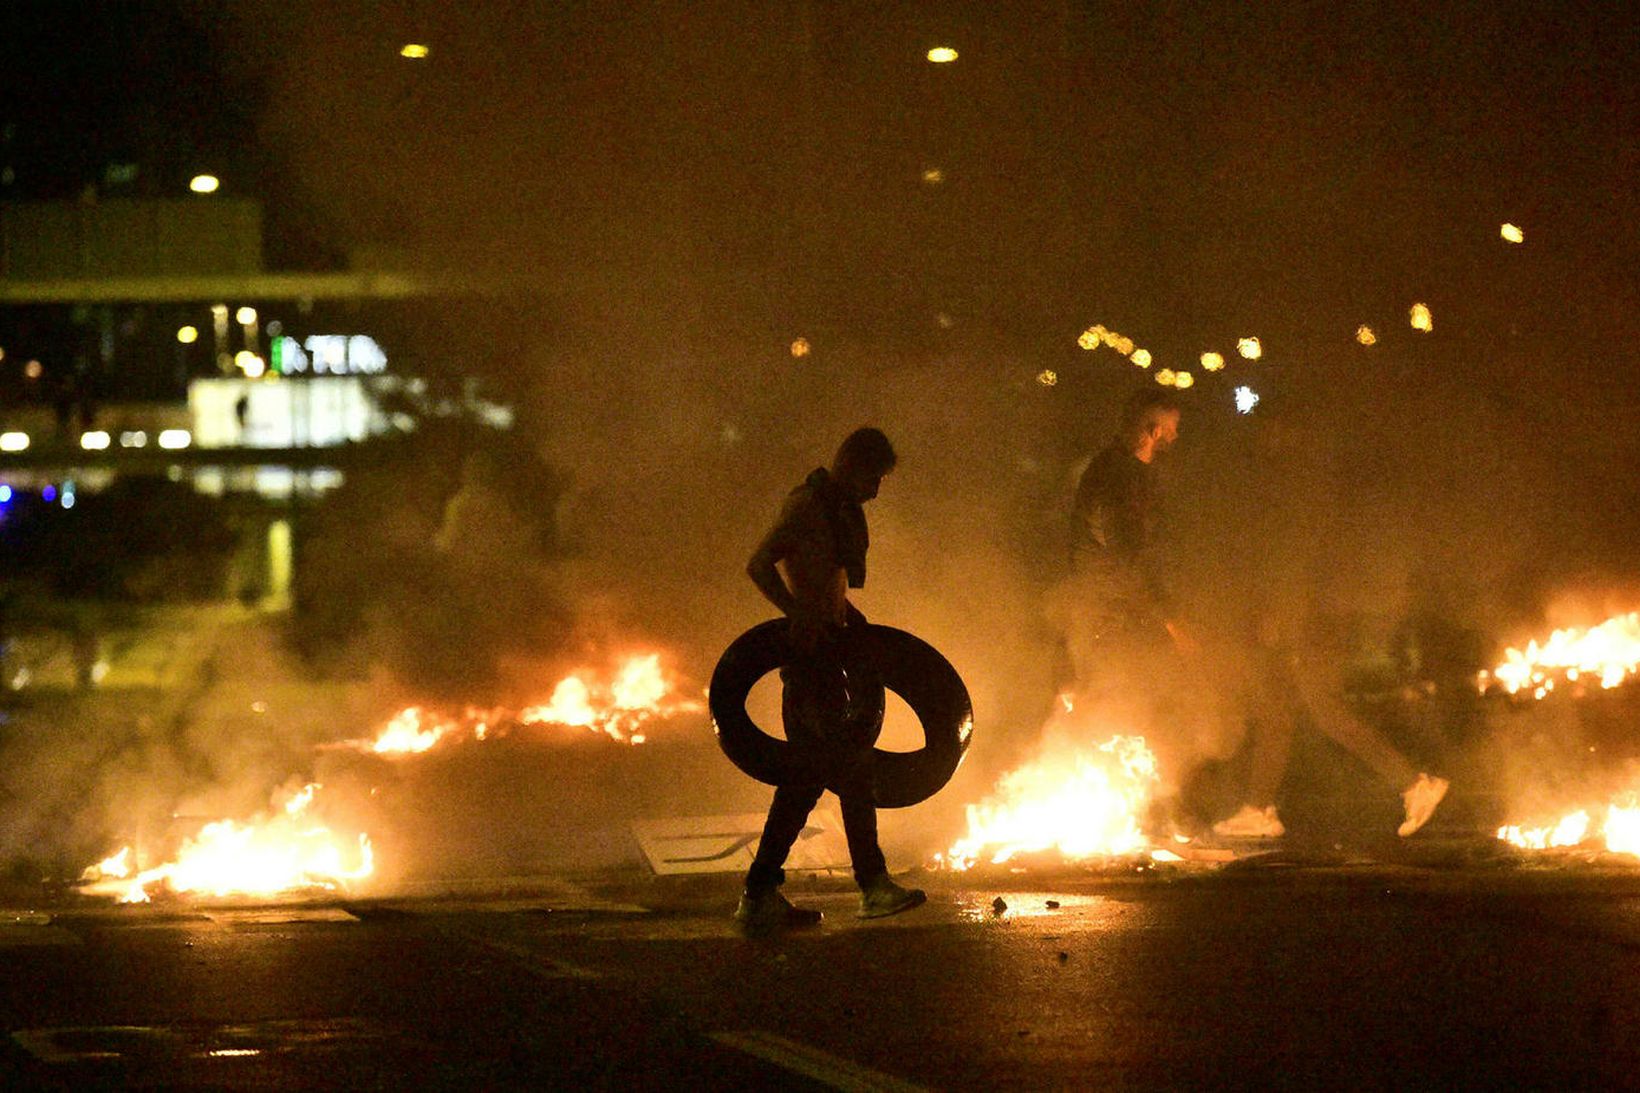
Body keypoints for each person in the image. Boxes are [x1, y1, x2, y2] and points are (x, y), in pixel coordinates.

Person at [736, 427, 926, 930]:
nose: (876, 491)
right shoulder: (807, 506)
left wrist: (847, 619)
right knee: (848, 770)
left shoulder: (838, 510)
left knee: (805, 780)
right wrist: (795, 613)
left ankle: (759, 894)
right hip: (810, 662)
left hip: (830, 652)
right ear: (850, 465)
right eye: (874, 477)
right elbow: (759, 564)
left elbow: (830, 585)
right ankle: (872, 886)